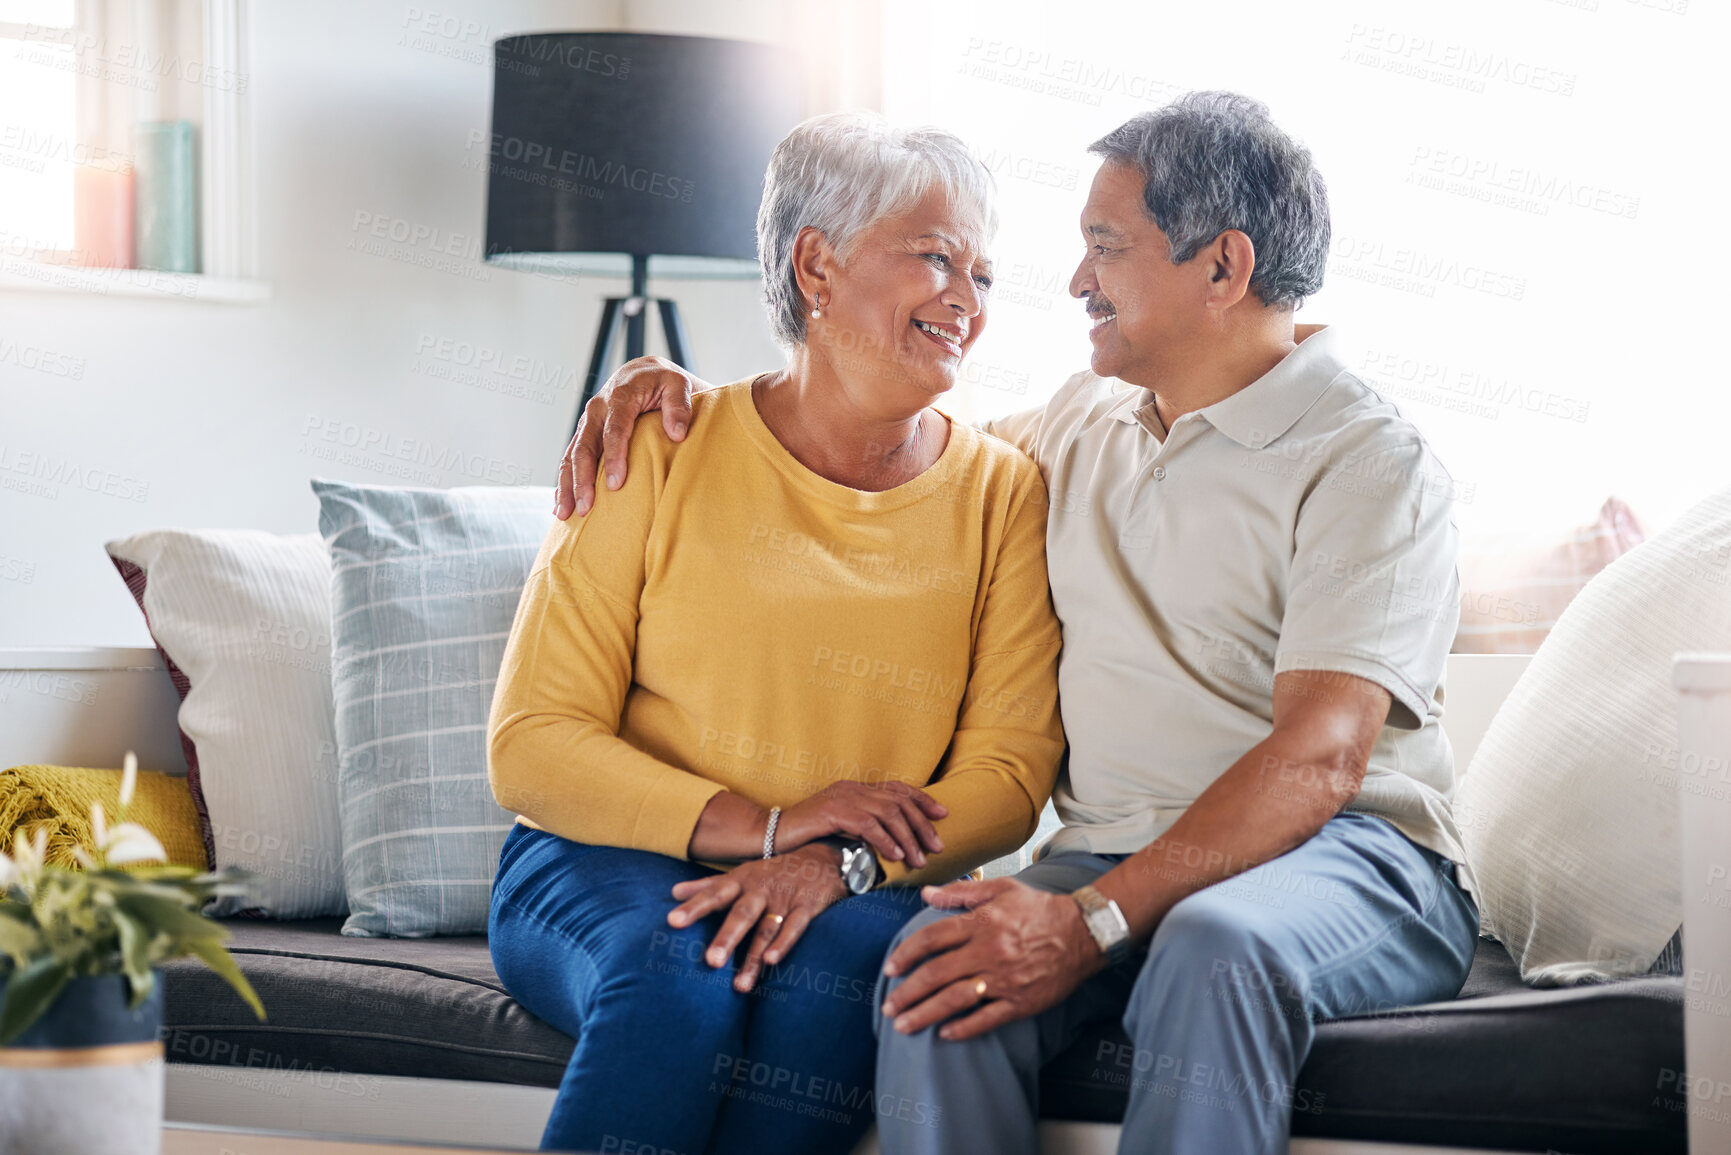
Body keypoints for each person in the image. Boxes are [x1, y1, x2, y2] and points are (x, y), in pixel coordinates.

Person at [552, 91, 1479, 1155]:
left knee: (1215, 948)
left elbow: (1321, 760)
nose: (1077, 281)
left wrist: (1091, 922)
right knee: (938, 969)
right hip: (1114, 853)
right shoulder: (1083, 421)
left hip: (1350, 855)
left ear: (1223, 268)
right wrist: (675, 396)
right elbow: (863, 439)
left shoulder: (1368, 460)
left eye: (1107, 248)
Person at [487, 113, 1064, 1155]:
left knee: (839, 980)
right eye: (935, 257)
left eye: (983, 276)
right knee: (676, 975)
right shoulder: (658, 443)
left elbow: (1012, 773)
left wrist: (829, 857)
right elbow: (532, 742)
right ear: (817, 266)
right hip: (600, 856)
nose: (966, 302)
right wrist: (764, 826)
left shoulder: (1002, 491)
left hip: (860, 877)